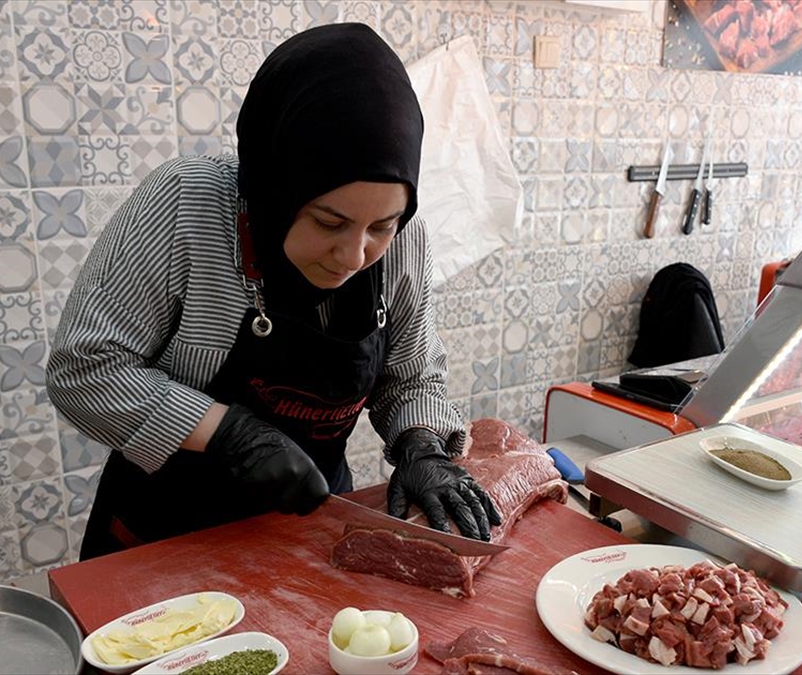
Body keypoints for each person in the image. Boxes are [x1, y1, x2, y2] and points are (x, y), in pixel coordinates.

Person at [47, 23, 501, 561]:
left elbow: (411, 375)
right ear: (274, 190)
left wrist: (421, 444)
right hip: (161, 540)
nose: (354, 256)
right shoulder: (185, 207)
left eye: (382, 226)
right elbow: (85, 368)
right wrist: (229, 434)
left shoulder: (404, 241)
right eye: (329, 222)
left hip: (305, 533)